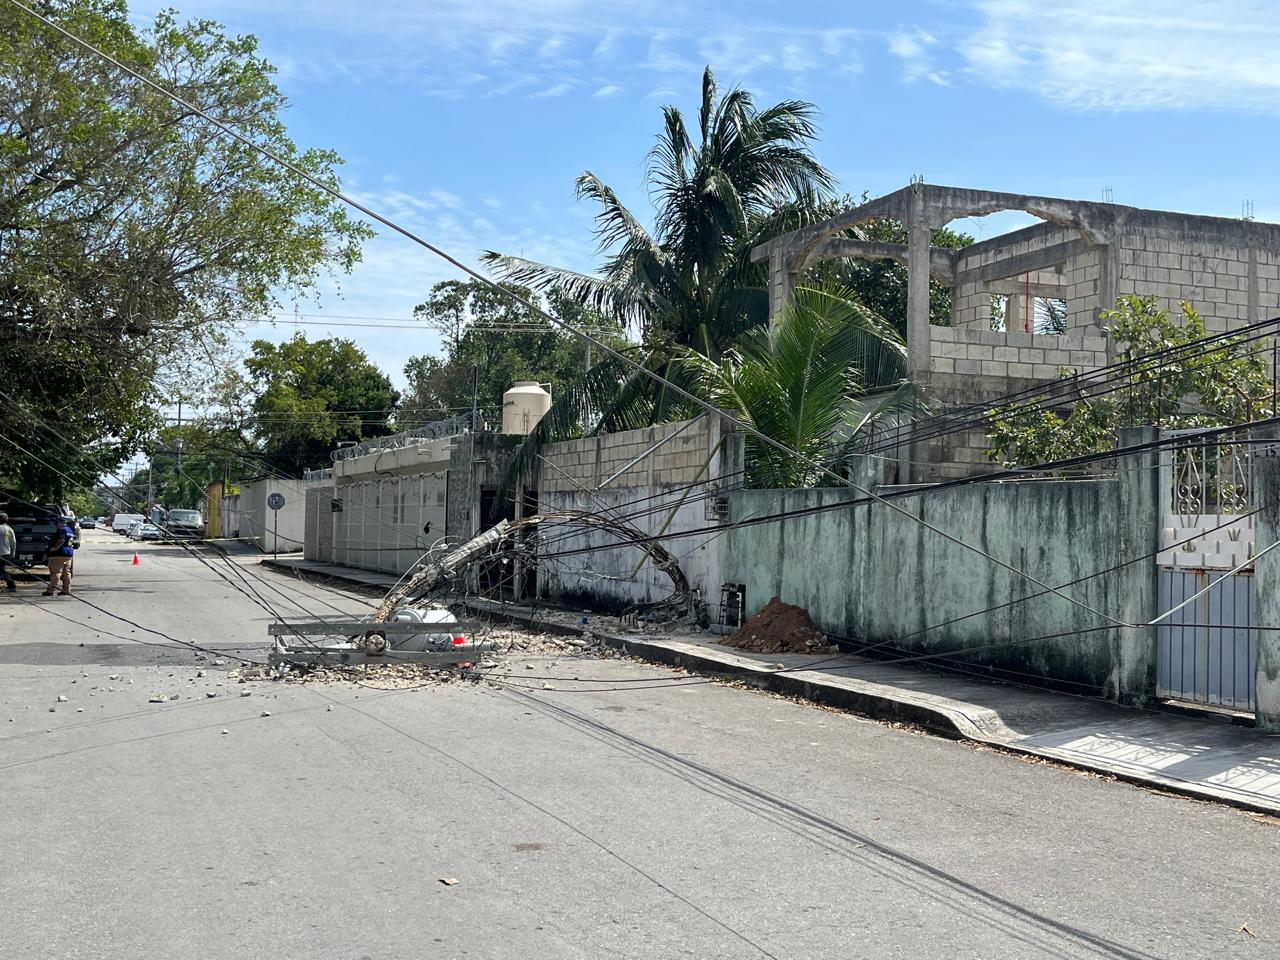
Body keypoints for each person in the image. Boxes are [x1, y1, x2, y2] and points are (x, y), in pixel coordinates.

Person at [43, 515, 75, 596]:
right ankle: (66, 589)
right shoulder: (70, 530)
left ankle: (50, 590)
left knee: (56, 573)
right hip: (68, 554)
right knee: (66, 573)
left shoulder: (62, 530)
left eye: (56, 523)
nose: (55, 525)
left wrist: (54, 548)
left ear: (59, 523)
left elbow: (61, 540)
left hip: (59, 554)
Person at [0, 512, 17, 592]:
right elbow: (13, 543)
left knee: (1, 570)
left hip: (1, 553)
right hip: (6, 553)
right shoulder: (10, 529)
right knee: (1, 570)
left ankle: (11, 585)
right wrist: (13, 554)